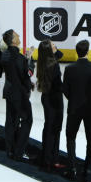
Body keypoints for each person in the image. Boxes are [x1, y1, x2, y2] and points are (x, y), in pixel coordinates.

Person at [62, 39, 91, 182]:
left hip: (74, 108)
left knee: (70, 137)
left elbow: (65, 90)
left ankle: (72, 167)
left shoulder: (69, 68)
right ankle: (88, 168)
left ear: (77, 51)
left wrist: (74, 99)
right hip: (90, 109)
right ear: (88, 51)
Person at [0, 29, 35, 161]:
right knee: (27, 120)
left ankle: (9, 150)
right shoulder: (20, 58)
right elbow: (28, 73)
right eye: (17, 35)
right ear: (13, 40)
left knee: (11, 121)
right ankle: (19, 151)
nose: (19, 36)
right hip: (20, 94)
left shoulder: (4, 55)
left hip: (9, 91)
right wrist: (29, 58)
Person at [36, 39, 64, 172]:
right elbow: (59, 85)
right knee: (54, 129)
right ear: (49, 50)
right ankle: (52, 159)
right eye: (53, 45)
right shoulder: (53, 65)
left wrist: (54, 50)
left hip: (46, 98)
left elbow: (60, 55)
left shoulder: (43, 61)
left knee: (48, 127)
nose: (55, 46)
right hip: (55, 99)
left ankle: (47, 157)